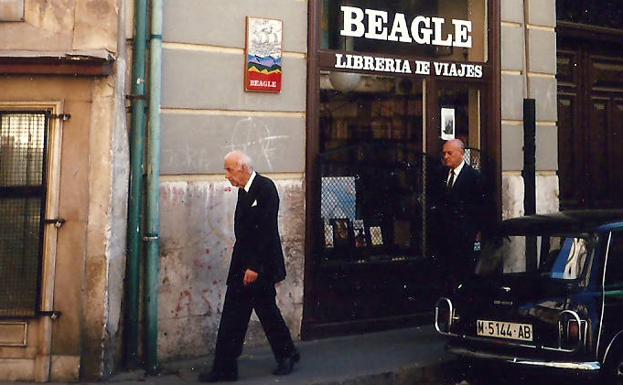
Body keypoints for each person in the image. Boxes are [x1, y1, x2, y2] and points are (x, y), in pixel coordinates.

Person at [199, 151, 299, 382]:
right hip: (243, 264)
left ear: (243, 168)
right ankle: (227, 368)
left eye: (229, 170)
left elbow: (265, 230)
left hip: (259, 266)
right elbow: (246, 229)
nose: (226, 176)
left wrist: (254, 266)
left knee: (262, 312)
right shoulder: (243, 191)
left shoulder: (265, 188)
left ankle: (285, 355)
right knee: (239, 314)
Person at [433, 139, 486, 290]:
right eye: (444, 153)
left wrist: (474, 231)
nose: (446, 157)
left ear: (462, 154)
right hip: (444, 235)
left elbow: (480, 208)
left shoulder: (474, 177)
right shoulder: (441, 175)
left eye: (450, 153)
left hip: (463, 236)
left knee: (462, 272)